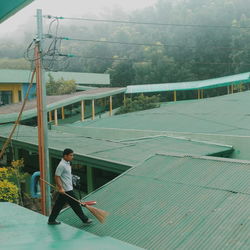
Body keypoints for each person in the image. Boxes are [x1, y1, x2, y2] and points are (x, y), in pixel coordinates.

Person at [48, 148, 92, 225]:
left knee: (58, 206)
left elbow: (66, 175)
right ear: (65, 156)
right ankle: (85, 219)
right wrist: (61, 188)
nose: (72, 157)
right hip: (66, 189)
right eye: (71, 155)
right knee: (75, 204)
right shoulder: (61, 165)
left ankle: (51, 220)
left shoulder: (67, 163)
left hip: (67, 188)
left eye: (72, 155)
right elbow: (56, 176)